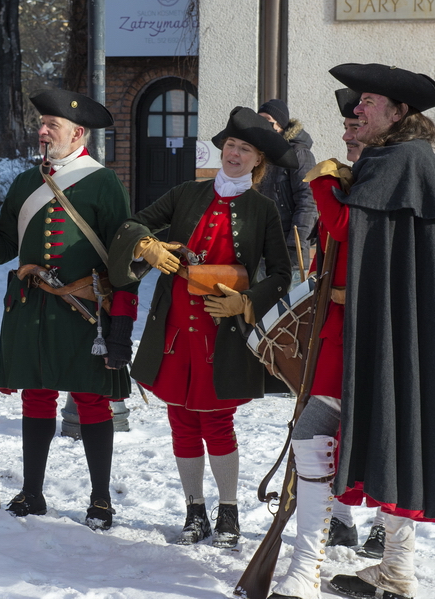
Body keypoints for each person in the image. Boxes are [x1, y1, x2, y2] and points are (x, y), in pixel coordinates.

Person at [268, 64, 435, 599]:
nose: (357, 108)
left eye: (368, 101)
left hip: (378, 336)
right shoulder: (394, 162)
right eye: (357, 102)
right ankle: (390, 572)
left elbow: (347, 228)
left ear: (399, 113)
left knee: (322, 437)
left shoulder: (404, 160)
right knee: (371, 440)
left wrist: (319, 180)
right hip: (363, 330)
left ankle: (307, 571)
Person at [108, 106, 294, 547]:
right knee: (181, 420)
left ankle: (227, 513)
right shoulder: (186, 193)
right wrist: (146, 245)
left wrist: (245, 302)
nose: (234, 154)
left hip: (224, 333)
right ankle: (195, 511)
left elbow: (281, 274)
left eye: (244, 149)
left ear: (256, 161)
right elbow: (133, 223)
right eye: (230, 145)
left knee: (217, 421)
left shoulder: (263, 208)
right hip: (174, 329)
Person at [0, 89, 138, 530]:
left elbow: (124, 259)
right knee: (36, 395)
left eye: (51, 126)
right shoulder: (25, 183)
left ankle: (100, 500)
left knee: (92, 400)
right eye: (41, 124)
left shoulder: (103, 182)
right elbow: (1, 251)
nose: (41, 131)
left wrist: (121, 327)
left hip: (84, 310)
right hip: (32, 305)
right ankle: (32, 492)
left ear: (77, 133)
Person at [322, 88, 385, 560]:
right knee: (325, 423)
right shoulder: (347, 180)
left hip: (378, 324)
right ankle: (338, 519)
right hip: (335, 325)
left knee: (381, 422)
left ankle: (386, 520)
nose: (348, 135)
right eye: (346, 128)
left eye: (355, 129)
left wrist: (322, 187)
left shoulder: (382, 178)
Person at [256, 99, 317, 283]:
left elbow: (308, 202)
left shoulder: (299, 154)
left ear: (280, 126)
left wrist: (295, 245)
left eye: (267, 121)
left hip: (289, 254)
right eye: (258, 121)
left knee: (286, 309)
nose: (262, 127)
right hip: (260, 252)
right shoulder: (260, 154)